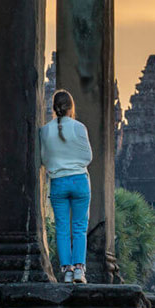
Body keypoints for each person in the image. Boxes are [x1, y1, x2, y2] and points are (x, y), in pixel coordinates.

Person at [40, 89, 92, 283]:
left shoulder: (45, 130)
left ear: (53, 108)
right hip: (79, 180)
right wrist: (74, 162)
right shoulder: (79, 127)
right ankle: (79, 269)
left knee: (62, 227)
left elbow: (44, 159)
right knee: (79, 227)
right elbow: (88, 157)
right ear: (71, 108)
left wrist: (58, 166)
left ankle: (67, 271)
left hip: (58, 182)